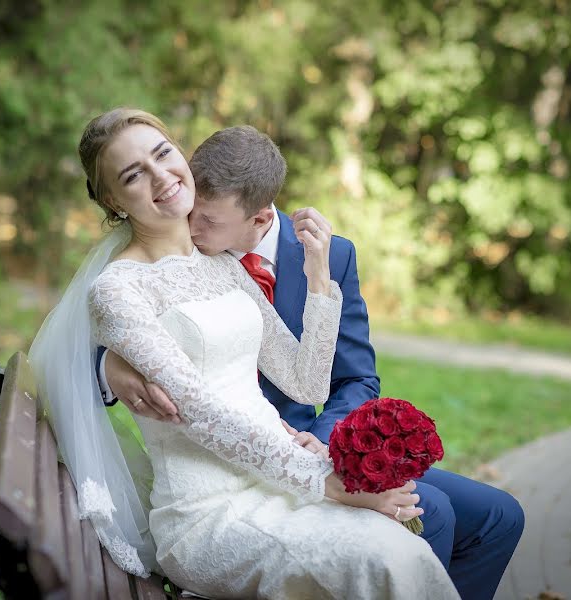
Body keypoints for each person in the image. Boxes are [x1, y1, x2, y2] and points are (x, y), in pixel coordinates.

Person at [29, 108, 460, 599]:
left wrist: (320, 278)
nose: (159, 176)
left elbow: (306, 383)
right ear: (112, 201)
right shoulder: (119, 289)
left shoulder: (220, 263)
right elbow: (196, 409)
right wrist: (324, 483)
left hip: (277, 482)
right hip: (209, 510)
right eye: (133, 175)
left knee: (397, 548)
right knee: (385, 557)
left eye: (163, 153)